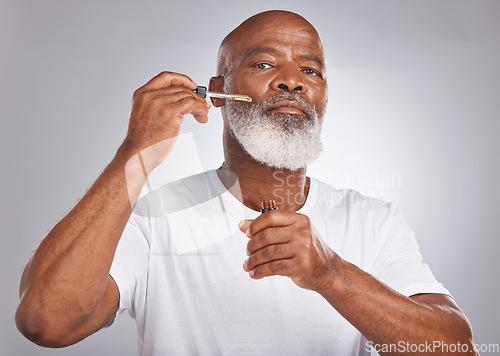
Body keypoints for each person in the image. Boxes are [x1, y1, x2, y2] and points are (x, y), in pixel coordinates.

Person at [15, 10, 477, 356]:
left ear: (323, 95)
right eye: (263, 64)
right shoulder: (153, 220)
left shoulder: (374, 221)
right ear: (216, 92)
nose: (292, 82)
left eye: (310, 70)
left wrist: (330, 274)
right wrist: (134, 152)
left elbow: (457, 349)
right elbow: (45, 322)